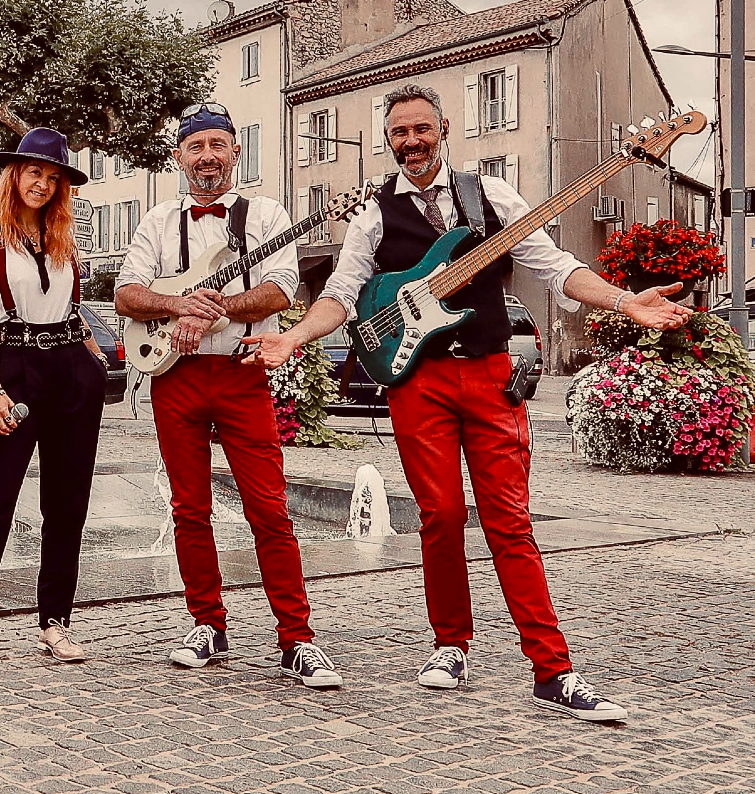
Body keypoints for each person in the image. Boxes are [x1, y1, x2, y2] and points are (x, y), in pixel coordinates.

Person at [245, 84, 691, 722]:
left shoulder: (492, 197)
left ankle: (553, 669)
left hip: (488, 374)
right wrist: (292, 335)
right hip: (418, 382)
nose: (412, 142)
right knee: (442, 514)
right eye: (400, 133)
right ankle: (450, 642)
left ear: (444, 128)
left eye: (422, 128)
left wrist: (624, 300)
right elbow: (343, 292)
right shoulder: (374, 212)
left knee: (510, 521)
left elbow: (555, 266)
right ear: (388, 140)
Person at [114, 104, 338, 688]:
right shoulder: (157, 221)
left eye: (218, 144)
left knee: (270, 508)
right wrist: (179, 306)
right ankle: (206, 623)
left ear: (236, 151)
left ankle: (297, 638)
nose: (207, 156)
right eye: (196, 147)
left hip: (241, 374)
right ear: (179, 156)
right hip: (175, 377)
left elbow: (278, 293)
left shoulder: (265, 213)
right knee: (189, 509)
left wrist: (214, 316)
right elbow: (126, 296)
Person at [0, 127, 106, 675]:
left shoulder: (62, 238)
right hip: (15, 367)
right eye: (34, 173)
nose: (42, 184)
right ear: (14, 175)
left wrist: (93, 356)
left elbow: (71, 307)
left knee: (67, 505)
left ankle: (55, 621)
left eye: (53, 178)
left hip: (71, 372)